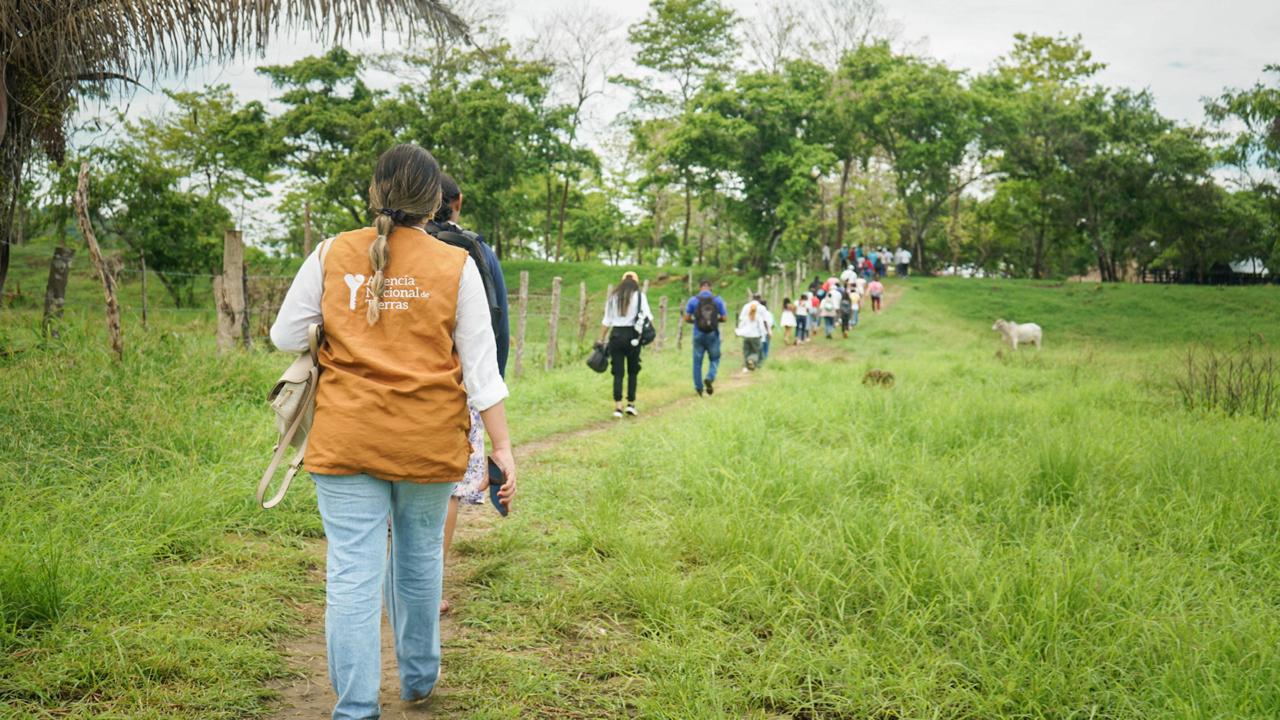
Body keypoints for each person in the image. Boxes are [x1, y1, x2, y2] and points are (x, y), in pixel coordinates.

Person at [270, 143, 517, 719]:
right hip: (428, 440)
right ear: (435, 202)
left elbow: (286, 335)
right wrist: (502, 447)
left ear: (374, 194)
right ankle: (418, 680)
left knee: (352, 568)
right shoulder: (456, 265)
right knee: (420, 556)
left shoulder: (331, 253)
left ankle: (355, 708)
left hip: (346, 436)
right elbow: (482, 373)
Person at [425, 173, 509, 617]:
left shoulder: (395, 246)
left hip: (393, 383)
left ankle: (396, 573)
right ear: (458, 202)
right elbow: (498, 325)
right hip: (459, 382)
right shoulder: (475, 250)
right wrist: (489, 387)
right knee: (450, 488)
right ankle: (428, 585)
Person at [599, 272, 651, 417]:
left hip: (616, 335)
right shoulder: (640, 297)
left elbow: (606, 321)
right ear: (636, 282)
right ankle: (631, 404)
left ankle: (617, 406)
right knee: (633, 370)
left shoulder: (613, 298)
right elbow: (647, 318)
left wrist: (600, 339)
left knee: (618, 371)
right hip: (634, 336)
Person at [683, 279, 728, 397]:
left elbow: (686, 318)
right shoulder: (717, 300)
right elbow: (724, 318)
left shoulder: (693, 300)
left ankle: (699, 388)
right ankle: (710, 376)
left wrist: (696, 321)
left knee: (697, 362)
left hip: (698, 333)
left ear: (700, 287)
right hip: (712, 334)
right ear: (710, 287)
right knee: (715, 358)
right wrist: (714, 321)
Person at [735, 295, 767, 371]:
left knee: (746, 351)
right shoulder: (758, 316)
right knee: (756, 352)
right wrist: (763, 335)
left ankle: (746, 367)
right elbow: (761, 327)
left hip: (746, 336)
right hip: (755, 336)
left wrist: (738, 332)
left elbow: (740, 324)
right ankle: (751, 360)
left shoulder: (746, 315)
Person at [758, 298, 774, 366]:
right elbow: (771, 324)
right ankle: (764, 361)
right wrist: (770, 331)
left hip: (758, 333)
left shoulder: (757, 313)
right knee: (766, 347)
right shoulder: (769, 313)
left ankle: (759, 360)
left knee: (759, 347)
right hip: (767, 332)